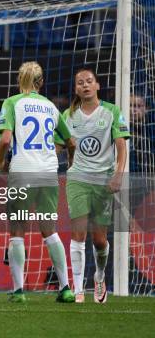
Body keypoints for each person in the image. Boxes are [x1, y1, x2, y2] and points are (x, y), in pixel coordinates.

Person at [0, 61, 76, 303]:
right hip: (47, 172)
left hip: (22, 171)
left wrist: (2, 162)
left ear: (19, 79)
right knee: (49, 230)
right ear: (41, 82)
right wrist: (70, 163)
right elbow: (71, 142)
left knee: (18, 231)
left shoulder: (13, 103)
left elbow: (5, 140)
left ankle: (19, 291)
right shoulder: (51, 107)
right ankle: (65, 288)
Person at [62, 69, 129, 303]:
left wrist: (118, 175)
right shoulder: (68, 116)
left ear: (97, 85)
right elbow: (60, 144)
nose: (85, 85)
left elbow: (121, 145)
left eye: (89, 81)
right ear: (76, 89)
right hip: (78, 179)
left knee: (99, 240)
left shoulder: (111, 111)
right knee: (78, 233)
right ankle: (78, 289)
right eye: (80, 83)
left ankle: (99, 276)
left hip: (104, 181)